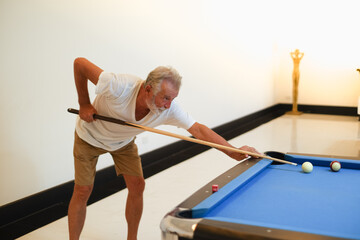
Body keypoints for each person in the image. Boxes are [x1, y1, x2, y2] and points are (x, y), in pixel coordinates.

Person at [68, 57, 260, 240]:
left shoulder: (167, 108)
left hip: (122, 142)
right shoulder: (119, 86)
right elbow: (80, 64)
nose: (168, 106)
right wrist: (84, 103)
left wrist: (232, 151)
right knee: (83, 190)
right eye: (166, 98)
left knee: (137, 185)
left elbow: (198, 129)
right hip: (90, 137)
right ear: (148, 89)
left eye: (172, 99)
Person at [290, 49, 304, 114]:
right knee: (294, 87)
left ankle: (295, 108)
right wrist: (294, 53)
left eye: (297, 52)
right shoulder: (294, 59)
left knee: (296, 87)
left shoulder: (298, 59)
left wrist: (300, 54)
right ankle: (294, 108)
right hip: (294, 72)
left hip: (297, 72)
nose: (296, 53)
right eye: (296, 52)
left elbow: (302, 55)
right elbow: (291, 54)